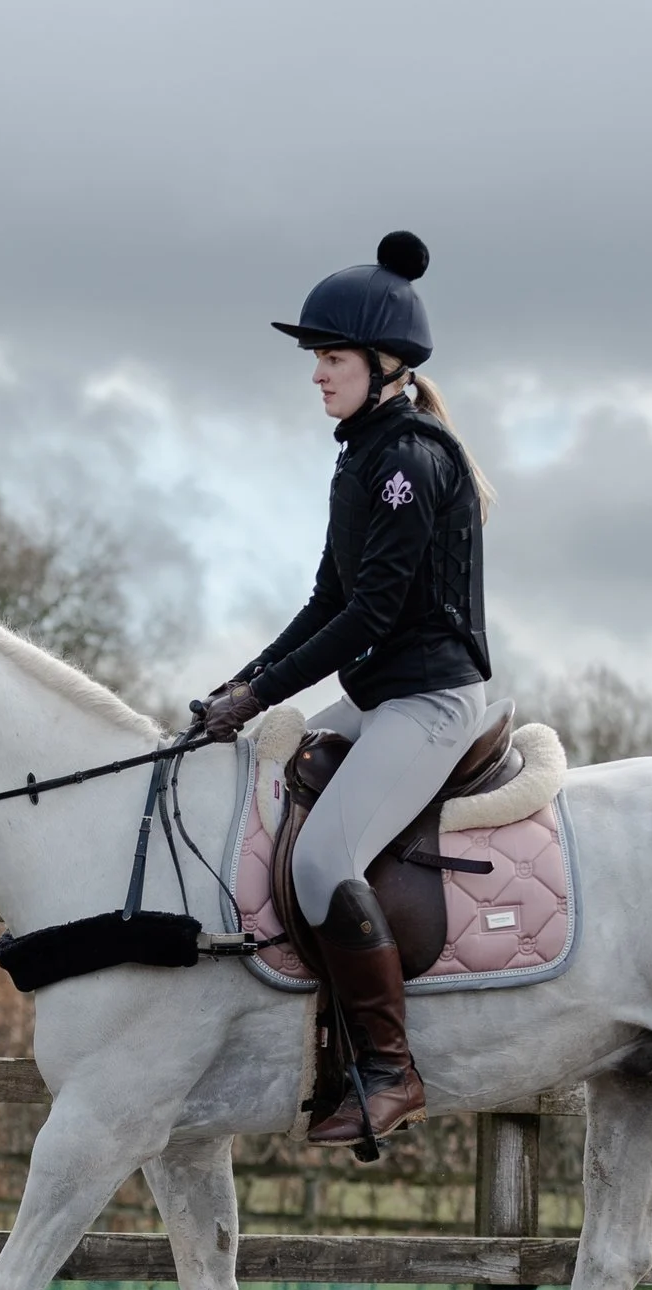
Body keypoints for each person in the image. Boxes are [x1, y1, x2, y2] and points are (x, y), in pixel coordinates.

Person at [198, 230, 497, 1149]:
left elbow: (368, 614)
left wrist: (263, 694)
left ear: (386, 363)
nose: (317, 375)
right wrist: (245, 684)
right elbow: (326, 599)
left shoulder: (409, 462)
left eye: (330, 358)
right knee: (259, 781)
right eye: (317, 359)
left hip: (430, 702)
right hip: (379, 695)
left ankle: (389, 1069)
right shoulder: (362, 456)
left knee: (324, 860)